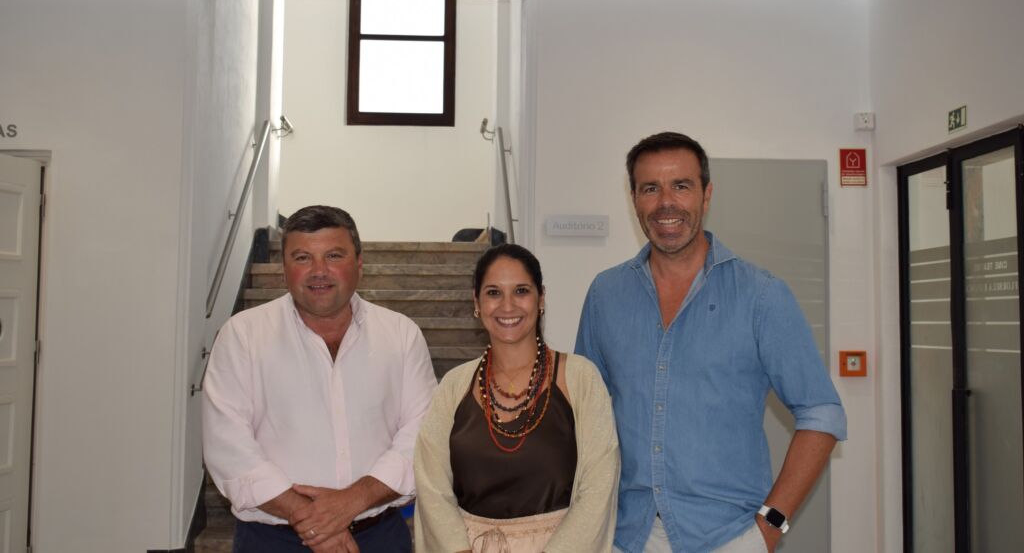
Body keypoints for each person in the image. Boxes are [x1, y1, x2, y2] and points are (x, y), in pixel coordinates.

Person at [575, 132, 847, 553]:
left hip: (729, 537)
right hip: (626, 536)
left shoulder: (761, 296)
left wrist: (769, 528)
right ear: (634, 199)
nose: (666, 202)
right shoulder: (605, 295)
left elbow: (822, 413)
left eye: (681, 186)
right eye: (651, 188)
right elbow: (583, 413)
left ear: (707, 194)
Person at [202, 205, 437, 552]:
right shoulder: (242, 335)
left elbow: (422, 434)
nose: (319, 271)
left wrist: (352, 501)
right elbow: (228, 446)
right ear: (284, 269)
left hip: (378, 537)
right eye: (302, 258)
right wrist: (314, 520)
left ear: (359, 263)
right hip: (271, 541)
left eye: (334, 256)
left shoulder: (401, 334)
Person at [415, 244, 620, 553]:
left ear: (541, 299)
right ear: (476, 302)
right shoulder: (455, 386)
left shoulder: (580, 379)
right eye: (493, 293)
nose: (507, 305)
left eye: (521, 291)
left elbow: (599, 486)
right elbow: (432, 484)